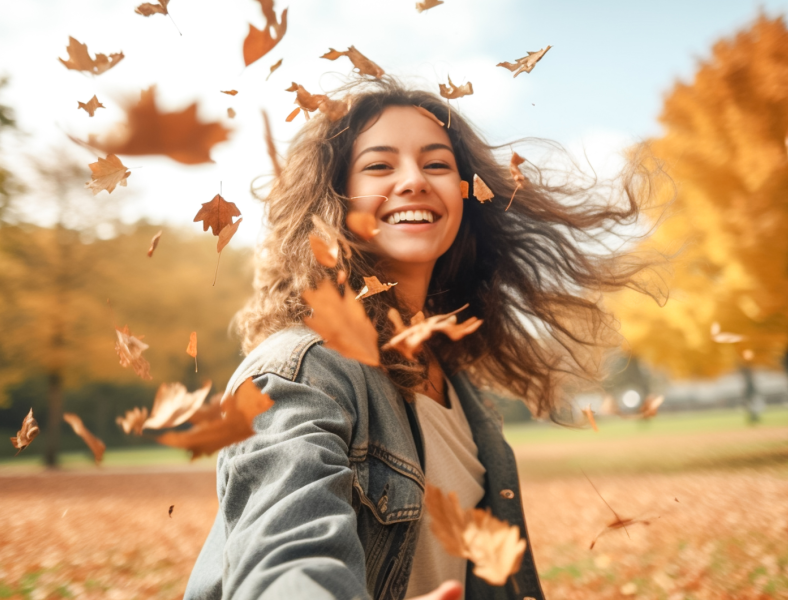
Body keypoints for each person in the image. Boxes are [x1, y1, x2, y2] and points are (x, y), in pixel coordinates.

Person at [184, 77, 655, 600]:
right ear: (332, 200)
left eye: (436, 164)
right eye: (380, 166)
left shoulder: (458, 385)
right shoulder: (301, 371)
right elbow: (287, 558)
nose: (414, 181)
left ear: (465, 196)